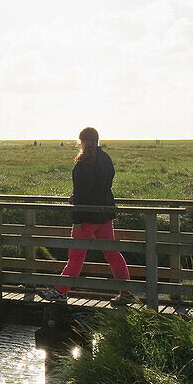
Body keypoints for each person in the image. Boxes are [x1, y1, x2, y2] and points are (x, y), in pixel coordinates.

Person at [39, 127, 133, 305]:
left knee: (76, 256)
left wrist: (77, 221)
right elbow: (103, 186)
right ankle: (126, 292)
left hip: (87, 217)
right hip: (104, 214)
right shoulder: (105, 159)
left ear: (82, 141)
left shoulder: (82, 165)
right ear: (97, 140)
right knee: (113, 254)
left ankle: (60, 290)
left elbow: (83, 194)